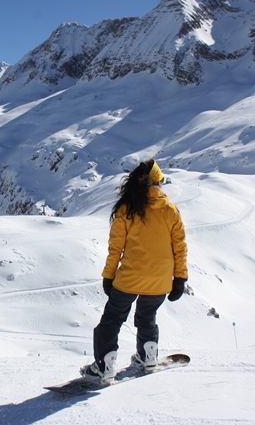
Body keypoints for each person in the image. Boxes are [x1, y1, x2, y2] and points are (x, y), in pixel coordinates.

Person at [81, 159, 188, 382]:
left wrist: (108, 277)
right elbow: (180, 248)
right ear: (158, 183)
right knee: (147, 317)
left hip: (129, 278)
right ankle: (148, 356)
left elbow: (115, 249)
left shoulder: (126, 209)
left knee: (112, 320)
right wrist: (180, 278)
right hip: (160, 280)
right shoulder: (171, 210)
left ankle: (104, 366)